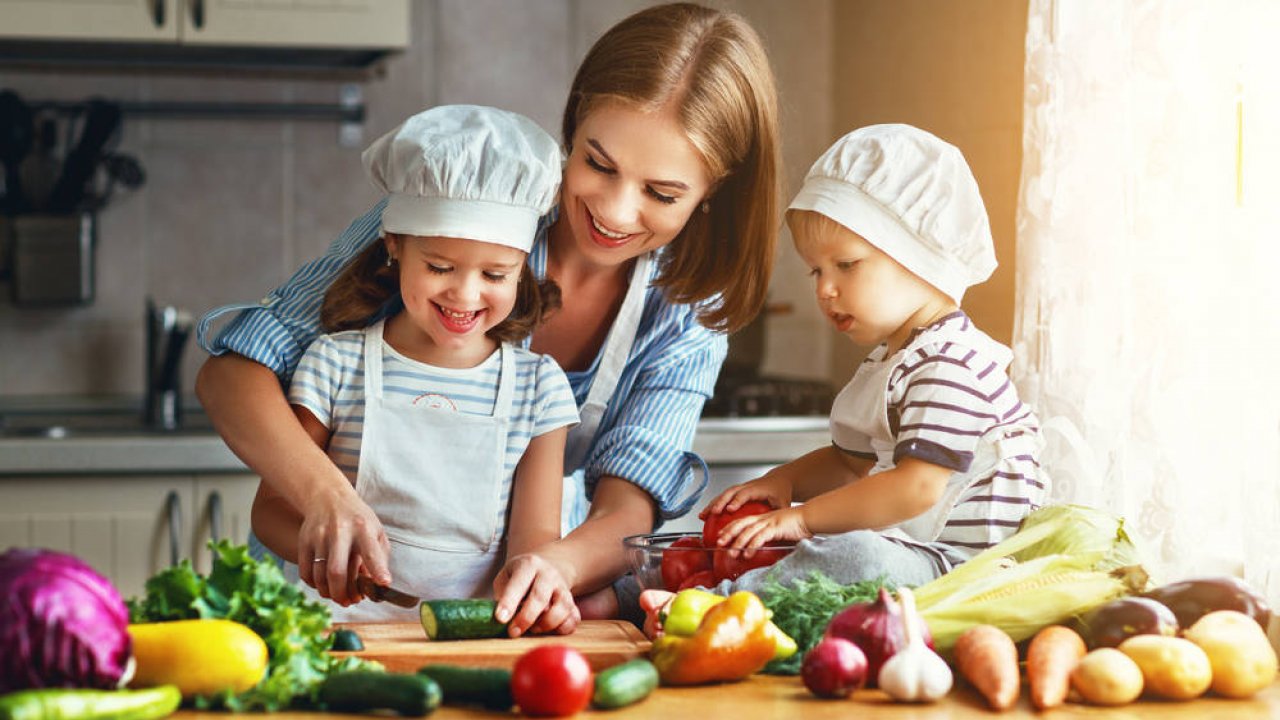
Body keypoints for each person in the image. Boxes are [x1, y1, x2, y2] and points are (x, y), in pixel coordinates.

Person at [194, 2, 780, 635]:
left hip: (478, 616)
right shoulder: (460, 206)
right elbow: (232, 376)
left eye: (661, 194)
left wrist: (551, 568)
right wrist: (326, 499)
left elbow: (624, 511)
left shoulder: (686, 313)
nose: (614, 210)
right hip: (315, 603)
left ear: (713, 189)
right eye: (598, 164)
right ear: (574, 120)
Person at [249, 105, 580, 622]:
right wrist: (325, 553)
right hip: (338, 631)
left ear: (522, 268)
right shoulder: (336, 364)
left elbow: (533, 542)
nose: (465, 294)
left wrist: (534, 588)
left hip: (468, 640)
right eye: (440, 267)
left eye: (496, 274)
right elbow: (271, 511)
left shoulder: (539, 389)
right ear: (394, 246)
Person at [695, 123, 1048, 598]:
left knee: (856, 555)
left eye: (846, 265)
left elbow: (916, 488)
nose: (823, 288)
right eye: (816, 270)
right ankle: (666, 588)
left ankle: (714, 604)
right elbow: (847, 464)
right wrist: (783, 482)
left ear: (918, 256)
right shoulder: (896, 360)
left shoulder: (952, 364)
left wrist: (801, 518)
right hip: (918, 554)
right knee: (831, 546)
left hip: (968, 572)